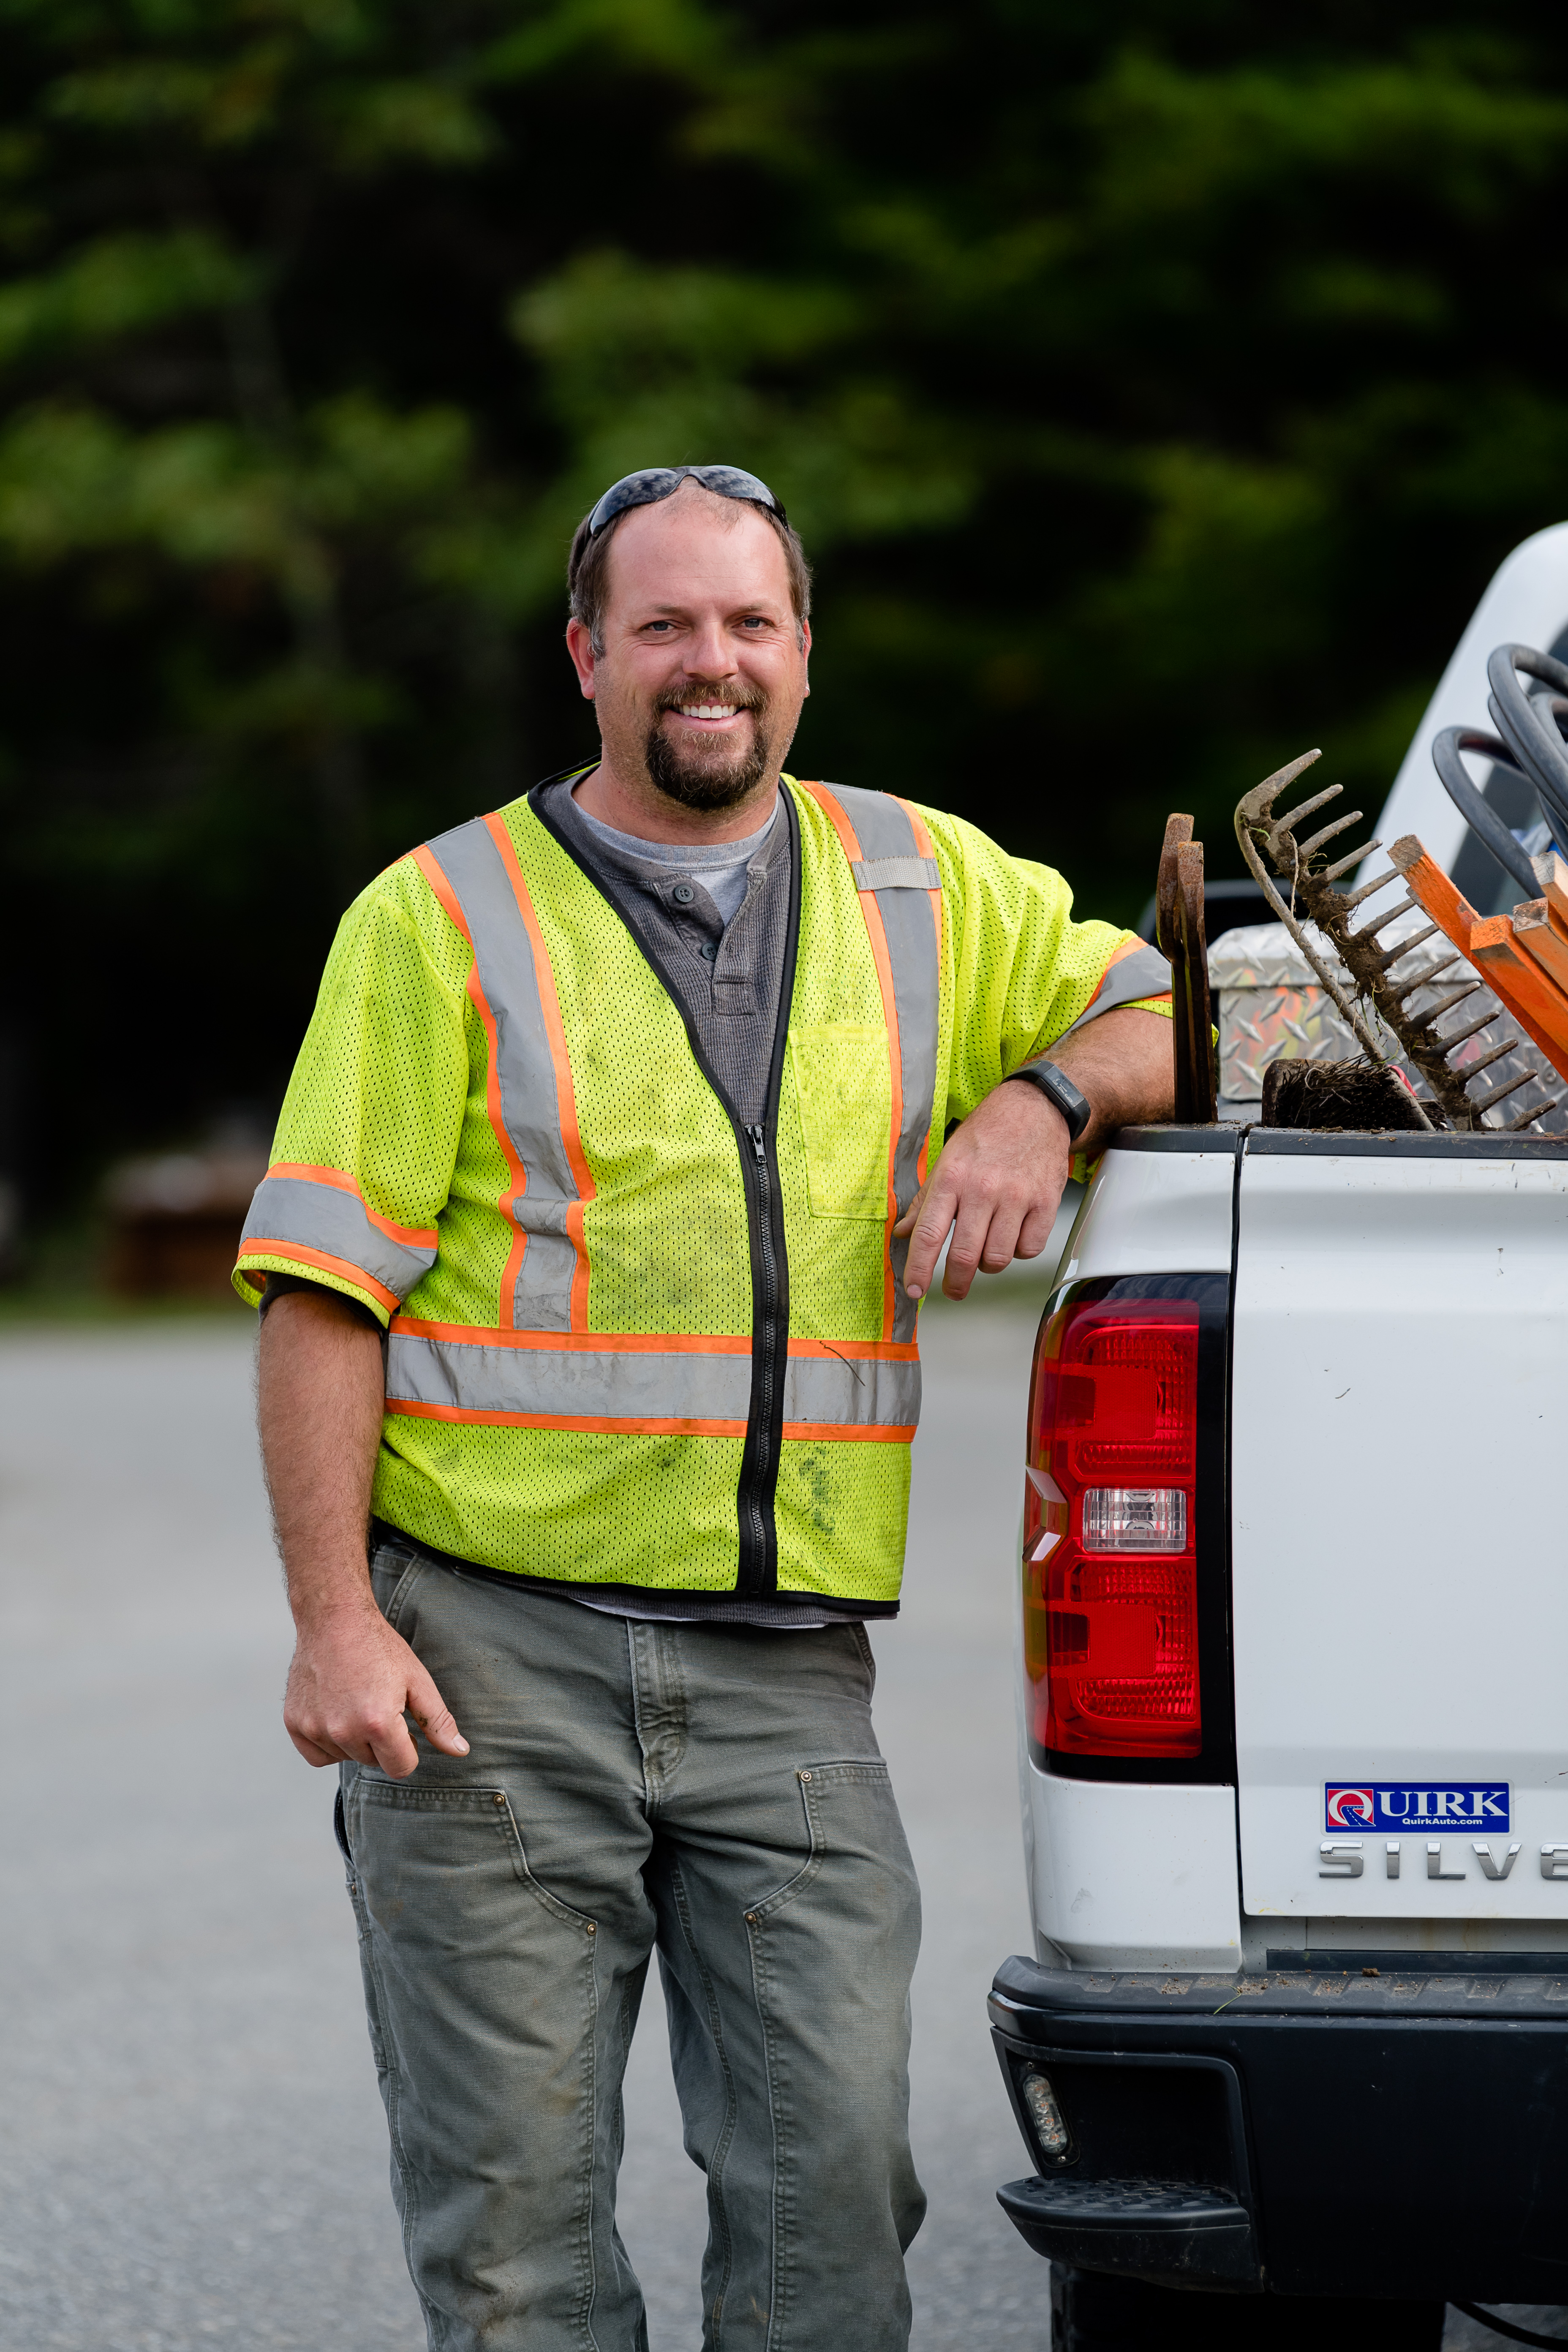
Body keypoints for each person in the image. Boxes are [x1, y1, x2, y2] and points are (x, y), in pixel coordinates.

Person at [240, 463, 1175, 2352]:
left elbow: (1183, 1009)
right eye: (661, 625)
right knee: (517, 2253)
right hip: (485, 1671)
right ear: (585, 656)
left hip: (785, 1682)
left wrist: (1039, 1101)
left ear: (804, 659)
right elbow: (324, 1291)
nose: (708, 663)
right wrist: (335, 1623)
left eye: (747, 624)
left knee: (833, 2209)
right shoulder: (438, 920)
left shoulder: (926, 883)